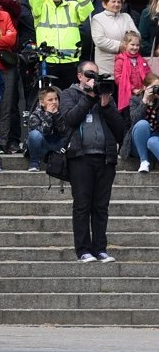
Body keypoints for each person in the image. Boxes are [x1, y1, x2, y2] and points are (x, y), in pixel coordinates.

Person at [59, 61, 128, 263]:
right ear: (80, 76)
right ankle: (83, 250)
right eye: (89, 75)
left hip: (105, 158)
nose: (93, 79)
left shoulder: (105, 95)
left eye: (96, 75)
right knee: (82, 205)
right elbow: (69, 119)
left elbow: (120, 130)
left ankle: (100, 249)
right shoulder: (68, 94)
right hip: (80, 157)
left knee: (101, 206)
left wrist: (106, 106)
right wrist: (89, 98)